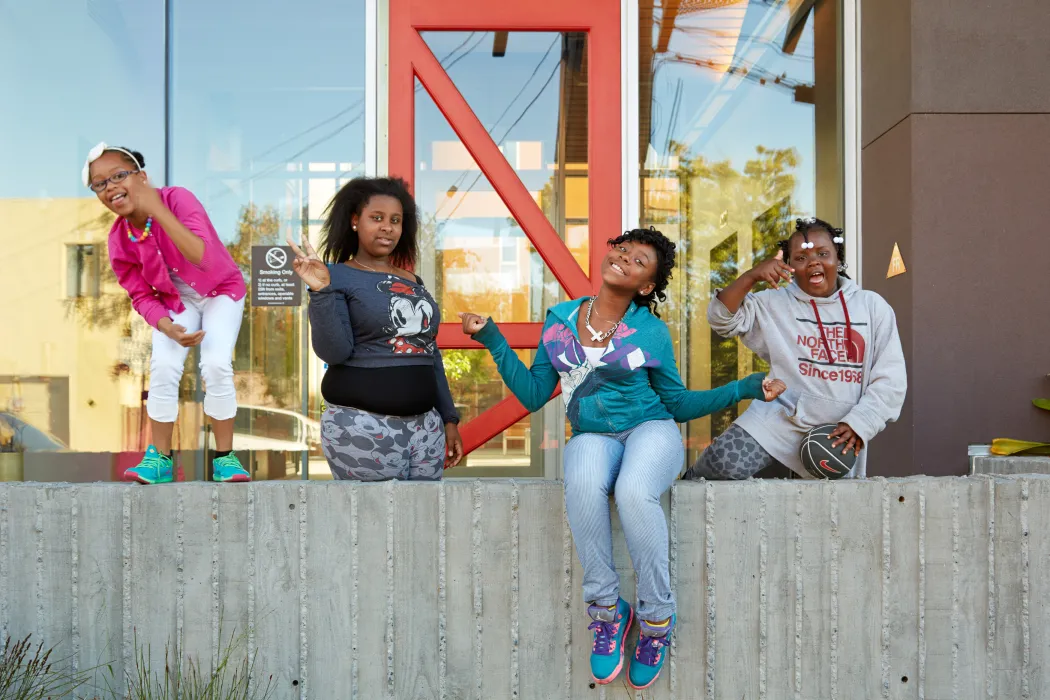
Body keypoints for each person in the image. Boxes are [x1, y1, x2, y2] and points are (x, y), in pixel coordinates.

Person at [459, 227, 785, 689]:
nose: (625, 260)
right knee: (582, 483)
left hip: (651, 429)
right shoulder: (559, 321)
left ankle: (656, 618)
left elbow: (677, 404)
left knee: (634, 492)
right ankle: (608, 612)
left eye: (639, 263)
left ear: (646, 286)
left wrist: (745, 388)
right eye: (623, 251)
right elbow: (534, 394)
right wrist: (492, 338)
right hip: (594, 434)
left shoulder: (649, 331)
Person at [684, 217, 906, 481]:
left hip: (839, 429)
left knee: (823, 511)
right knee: (719, 466)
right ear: (788, 267)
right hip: (780, 420)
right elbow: (721, 318)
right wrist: (751, 276)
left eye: (823, 254)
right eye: (800, 258)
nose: (813, 262)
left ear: (839, 259)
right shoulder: (773, 303)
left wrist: (861, 423)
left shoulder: (872, 307)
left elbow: (890, 381)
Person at [84, 143, 250, 484]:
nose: (111, 187)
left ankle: (225, 458)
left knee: (216, 362)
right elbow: (141, 295)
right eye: (100, 184)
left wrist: (158, 210)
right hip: (178, 302)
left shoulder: (178, 199)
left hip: (222, 290)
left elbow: (202, 258)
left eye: (118, 176)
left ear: (141, 178)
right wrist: (165, 326)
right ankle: (160, 459)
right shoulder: (119, 240)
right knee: (163, 364)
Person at [288, 176, 463, 481]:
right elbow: (334, 351)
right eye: (377, 218)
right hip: (361, 427)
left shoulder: (414, 282)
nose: (387, 227)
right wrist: (321, 292)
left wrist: (449, 419)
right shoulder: (335, 276)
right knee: (373, 525)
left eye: (395, 220)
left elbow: (431, 354)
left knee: (423, 523)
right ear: (355, 221)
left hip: (426, 431)